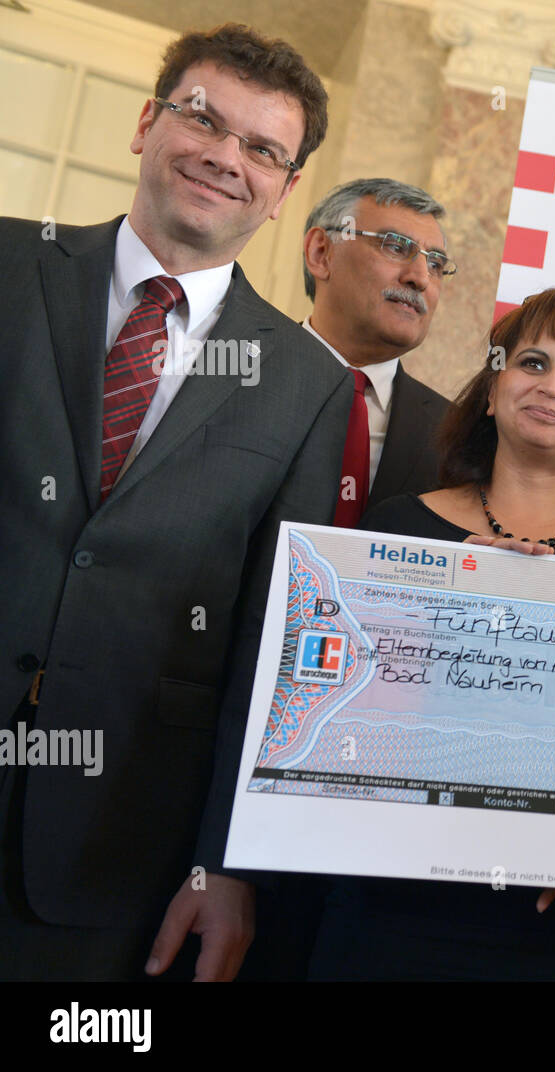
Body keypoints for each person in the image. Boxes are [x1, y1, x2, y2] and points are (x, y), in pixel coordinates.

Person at [0, 24, 349, 981]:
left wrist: (223, 862)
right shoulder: (8, 267)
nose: (225, 158)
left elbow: (271, 646)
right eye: (204, 119)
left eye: (264, 150)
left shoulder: (308, 385)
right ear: (148, 123)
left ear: (283, 195)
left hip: (115, 844)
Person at [307, 288, 555, 980]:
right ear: (489, 391)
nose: (552, 387)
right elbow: (339, 721)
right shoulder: (394, 530)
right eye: (532, 362)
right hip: (392, 910)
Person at [302, 178, 455, 519]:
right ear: (321, 253)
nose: (420, 278)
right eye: (396, 247)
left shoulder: (456, 434)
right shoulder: (238, 374)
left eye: (436, 264)